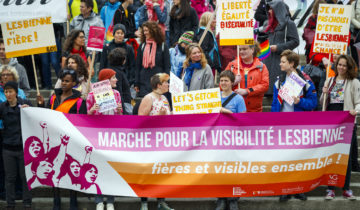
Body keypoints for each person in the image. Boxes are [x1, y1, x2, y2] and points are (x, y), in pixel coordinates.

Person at [37, 69, 87, 210]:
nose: (64, 83)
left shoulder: (78, 102)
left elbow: (83, 122)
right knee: (54, 170)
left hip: (72, 141)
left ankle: (73, 200)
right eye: (62, 80)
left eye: (67, 81)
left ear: (74, 83)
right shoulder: (53, 98)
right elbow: (46, 115)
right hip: (54, 141)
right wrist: (41, 104)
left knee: (71, 171)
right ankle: (56, 200)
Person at [271, 50, 317, 201]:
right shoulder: (279, 81)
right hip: (283, 125)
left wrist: (300, 102)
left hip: (300, 125)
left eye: (283, 61)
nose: (280, 64)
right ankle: (285, 189)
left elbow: (313, 103)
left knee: (300, 158)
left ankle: (300, 189)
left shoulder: (306, 82)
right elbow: (274, 105)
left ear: (291, 64)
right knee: (284, 159)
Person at [321, 55, 360, 200]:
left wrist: (356, 111)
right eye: (339, 64)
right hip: (332, 120)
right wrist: (323, 93)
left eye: (344, 65)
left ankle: (346, 188)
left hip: (347, 120)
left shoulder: (354, 82)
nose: (341, 67)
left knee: (347, 157)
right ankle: (330, 189)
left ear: (349, 67)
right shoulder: (329, 80)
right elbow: (324, 102)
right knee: (331, 155)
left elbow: (358, 102)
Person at [87, 69, 122, 210]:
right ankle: (99, 200)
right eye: (114, 78)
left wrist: (119, 110)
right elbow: (86, 118)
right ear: (106, 80)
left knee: (111, 168)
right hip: (96, 136)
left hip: (111, 136)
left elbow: (120, 118)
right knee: (98, 167)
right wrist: (91, 111)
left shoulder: (117, 94)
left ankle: (111, 200)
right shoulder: (91, 95)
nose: (116, 80)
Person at [138, 73, 173, 210]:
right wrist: (159, 116)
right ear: (159, 85)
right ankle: (144, 202)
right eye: (166, 82)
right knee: (147, 171)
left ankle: (161, 201)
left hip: (163, 140)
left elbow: (168, 115)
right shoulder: (148, 98)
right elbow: (140, 119)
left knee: (161, 171)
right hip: (150, 140)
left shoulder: (164, 98)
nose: (168, 85)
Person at [0, 81, 32, 210]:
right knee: (10, 178)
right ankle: (10, 204)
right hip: (8, 147)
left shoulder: (25, 103)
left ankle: (27, 202)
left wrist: (32, 109)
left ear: (16, 92)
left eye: (10, 91)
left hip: (23, 147)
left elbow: (37, 116)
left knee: (25, 177)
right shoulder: (2, 107)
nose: (8, 94)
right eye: (6, 92)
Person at [262, 0, 299, 95]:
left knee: (280, 89)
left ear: (278, 10)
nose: (269, 11)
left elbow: (295, 41)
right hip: (267, 59)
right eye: (269, 9)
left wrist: (278, 47)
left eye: (271, 9)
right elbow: (264, 39)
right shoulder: (268, 23)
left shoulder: (289, 24)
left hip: (282, 60)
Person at [225, 43, 269, 112]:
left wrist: (247, 91)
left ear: (252, 50)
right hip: (234, 110)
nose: (241, 52)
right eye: (240, 49)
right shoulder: (232, 65)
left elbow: (265, 85)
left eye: (244, 49)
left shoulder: (261, 66)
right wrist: (233, 82)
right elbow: (221, 86)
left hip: (254, 111)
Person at [135, 21, 170, 97]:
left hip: (158, 83)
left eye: (147, 30)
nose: (145, 33)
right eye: (144, 31)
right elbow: (138, 66)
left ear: (153, 31)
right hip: (144, 83)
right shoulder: (142, 46)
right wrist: (136, 82)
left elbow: (167, 66)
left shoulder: (163, 46)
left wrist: (167, 82)